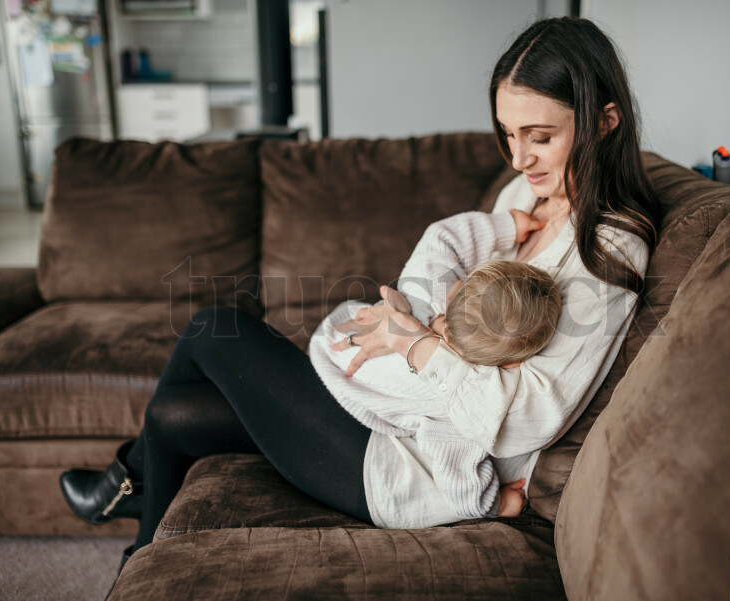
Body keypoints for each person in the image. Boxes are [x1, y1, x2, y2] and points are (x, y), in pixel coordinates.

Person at [59, 16, 661, 571]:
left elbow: (526, 420)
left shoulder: (609, 249)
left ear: (604, 122)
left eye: (540, 136)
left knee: (215, 330)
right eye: (508, 134)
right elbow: (436, 278)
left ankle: (124, 488)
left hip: (411, 466)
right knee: (172, 417)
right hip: (393, 416)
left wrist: (417, 343)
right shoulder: (523, 197)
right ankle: (137, 546)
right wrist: (417, 318)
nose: (519, 157)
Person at [309, 208, 562, 520]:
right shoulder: (455, 403)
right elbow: (459, 482)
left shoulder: (431, 286)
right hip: (342, 385)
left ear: (461, 285)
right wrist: (498, 504)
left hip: (336, 335)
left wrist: (505, 226)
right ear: (512, 365)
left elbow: (441, 237)